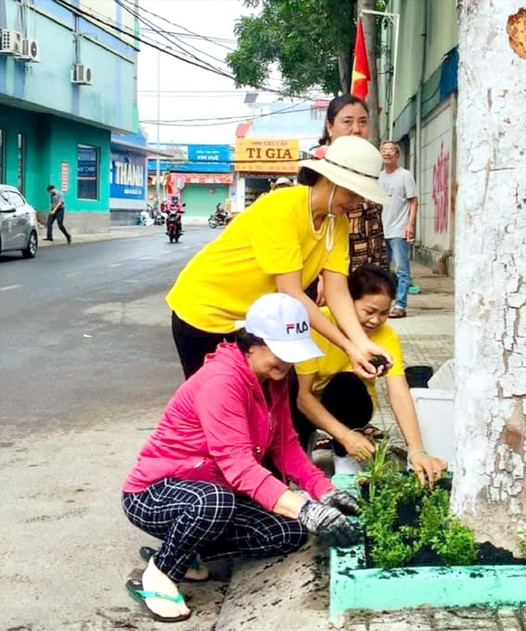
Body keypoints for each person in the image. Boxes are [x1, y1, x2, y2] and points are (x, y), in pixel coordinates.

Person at [122, 293, 360, 623]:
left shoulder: (271, 379)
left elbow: (287, 446)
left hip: (211, 491)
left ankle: (185, 553)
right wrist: (306, 508)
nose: (286, 363)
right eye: (279, 352)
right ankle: (160, 573)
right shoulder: (222, 382)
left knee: (287, 534)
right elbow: (239, 467)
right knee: (215, 502)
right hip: (155, 492)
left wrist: (325, 492)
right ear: (251, 343)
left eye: (291, 354)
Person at [165, 135, 391, 381]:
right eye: (352, 193)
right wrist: (349, 347)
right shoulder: (281, 209)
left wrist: (360, 342)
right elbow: (291, 293)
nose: (356, 202)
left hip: (251, 320)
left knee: (269, 396)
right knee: (216, 400)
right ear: (330, 180)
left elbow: (337, 291)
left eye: (361, 196)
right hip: (204, 311)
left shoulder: (337, 223)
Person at [293, 264, 448, 484]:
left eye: (384, 313)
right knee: (285, 385)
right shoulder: (319, 324)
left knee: (346, 384)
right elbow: (302, 396)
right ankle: (304, 440)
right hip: (308, 406)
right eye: (369, 311)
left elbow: (399, 392)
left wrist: (416, 450)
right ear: (347, 302)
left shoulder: (386, 335)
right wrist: (345, 436)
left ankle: (344, 457)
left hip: (350, 402)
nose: (375, 320)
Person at [315, 94, 388, 270]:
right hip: (323, 274)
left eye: (363, 122)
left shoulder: (370, 168)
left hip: (365, 272)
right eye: (347, 122)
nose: (356, 129)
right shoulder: (317, 170)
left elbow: (375, 236)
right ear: (329, 126)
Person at [378, 141, 418, 319]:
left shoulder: (405, 176)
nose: (387, 154)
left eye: (390, 151)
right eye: (384, 151)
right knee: (383, 270)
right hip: (382, 229)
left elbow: (413, 201)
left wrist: (410, 225)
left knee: (402, 269)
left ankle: (400, 305)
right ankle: (385, 304)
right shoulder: (379, 177)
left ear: (397, 155)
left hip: (398, 230)